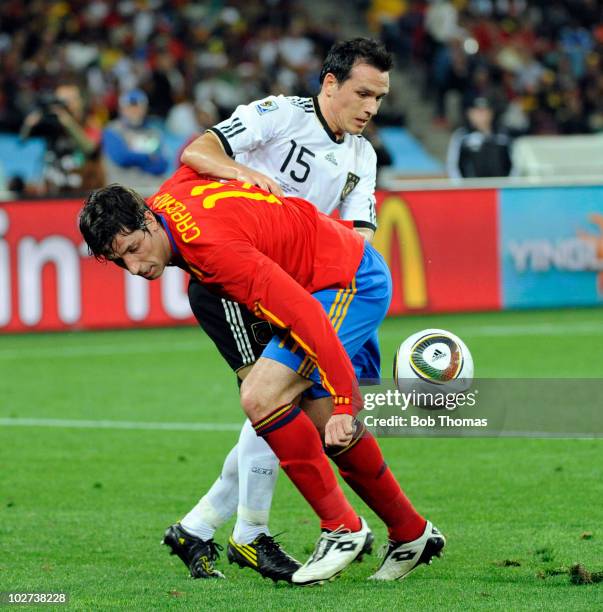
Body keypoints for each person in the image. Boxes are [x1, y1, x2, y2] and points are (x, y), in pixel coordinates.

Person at [79, 168, 445, 585]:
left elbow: (305, 316)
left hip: (347, 282)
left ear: (147, 220)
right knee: (323, 422)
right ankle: (412, 533)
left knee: (261, 395)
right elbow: (195, 155)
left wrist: (347, 399)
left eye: (133, 249)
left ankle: (342, 528)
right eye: (119, 260)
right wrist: (235, 170)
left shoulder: (213, 253)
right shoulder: (166, 199)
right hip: (331, 272)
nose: (134, 267)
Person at [164, 38, 399, 581]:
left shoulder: (362, 156)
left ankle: (199, 528)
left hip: (289, 288)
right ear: (330, 83)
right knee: (272, 401)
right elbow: (197, 152)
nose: (370, 108)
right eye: (362, 93)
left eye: (380, 98)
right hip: (228, 281)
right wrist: (241, 175)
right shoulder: (278, 115)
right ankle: (248, 536)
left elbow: (360, 235)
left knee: (277, 403)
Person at [20, 81, 103, 194]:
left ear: (79, 102)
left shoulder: (90, 123)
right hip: (54, 188)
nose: (65, 105)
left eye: (69, 100)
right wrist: (29, 124)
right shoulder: (52, 125)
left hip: (83, 189)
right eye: (59, 100)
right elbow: (23, 139)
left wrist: (68, 123)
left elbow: (90, 148)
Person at [102, 89, 169, 191]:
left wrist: (134, 158)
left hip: (151, 188)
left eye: (138, 107)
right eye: (130, 107)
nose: (134, 111)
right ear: (122, 109)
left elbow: (162, 164)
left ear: (145, 109)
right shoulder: (112, 130)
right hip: (122, 191)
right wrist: (148, 157)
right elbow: (122, 158)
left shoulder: (153, 132)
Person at [446, 96, 514, 178]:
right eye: (477, 112)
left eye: (484, 111)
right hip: (472, 187)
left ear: (491, 113)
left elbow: (514, 163)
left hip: (500, 186)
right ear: (470, 114)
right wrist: (461, 186)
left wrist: (509, 185)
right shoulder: (461, 135)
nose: (481, 115)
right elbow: (452, 165)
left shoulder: (502, 134)